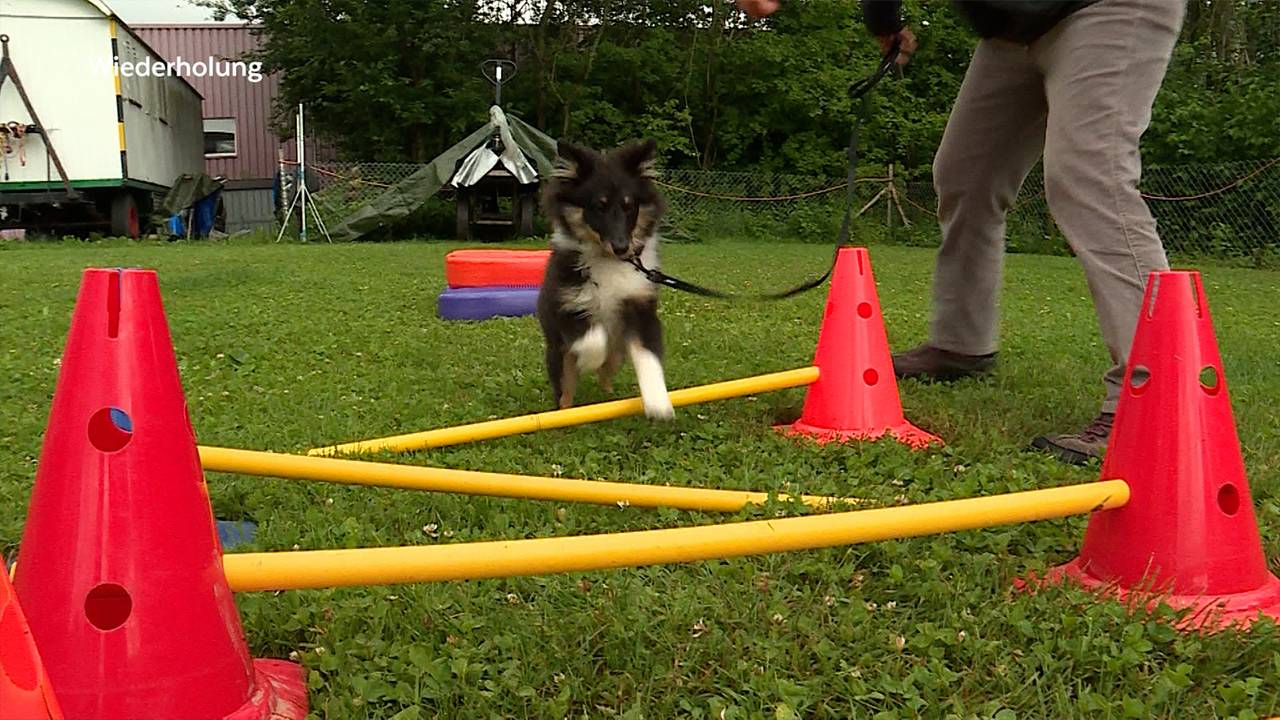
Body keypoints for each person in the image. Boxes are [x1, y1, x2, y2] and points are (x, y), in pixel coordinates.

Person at [735, 0, 1186, 464]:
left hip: (1106, 7)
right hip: (1013, 29)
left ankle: (1155, 392)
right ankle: (961, 346)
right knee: (965, 175)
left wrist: (880, 20)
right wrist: (884, 22)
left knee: (1090, 177)